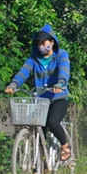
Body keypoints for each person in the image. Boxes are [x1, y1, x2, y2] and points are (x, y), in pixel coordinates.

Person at [5, 24, 71, 161]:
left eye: (44, 42)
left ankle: (65, 145)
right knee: (38, 134)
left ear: (52, 42)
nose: (41, 45)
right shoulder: (33, 59)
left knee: (53, 122)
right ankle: (37, 171)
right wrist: (13, 84)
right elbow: (23, 73)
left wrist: (60, 83)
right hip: (41, 101)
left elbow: (64, 71)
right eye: (39, 43)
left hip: (58, 98)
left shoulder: (61, 55)